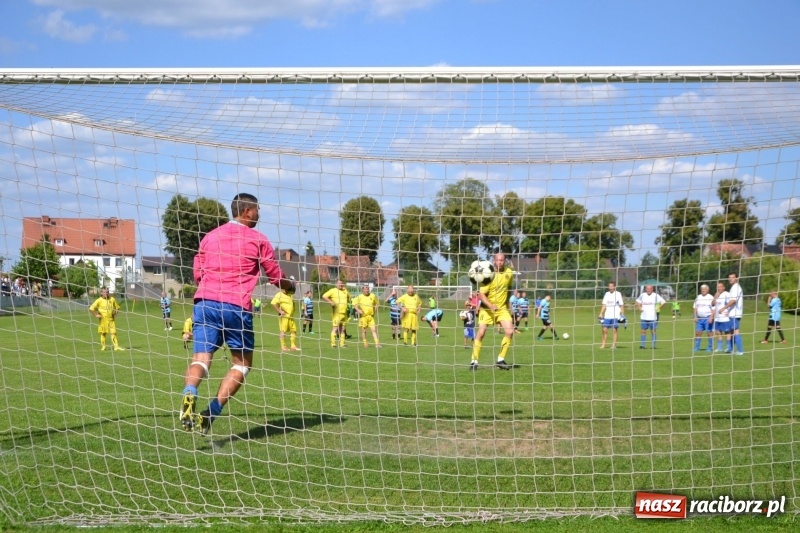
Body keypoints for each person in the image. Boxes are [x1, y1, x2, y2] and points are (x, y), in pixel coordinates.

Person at [179, 193, 293, 436]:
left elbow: (198, 271)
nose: (259, 214)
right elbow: (274, 275)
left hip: (205, 302)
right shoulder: (258, 239)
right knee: (242, 364)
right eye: (258, 210)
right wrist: (289, 286)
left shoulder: (210, 237)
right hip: (235, 306)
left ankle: (189, 393)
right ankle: (210, 412)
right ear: (248, 211)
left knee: (200, 358)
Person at [471, 253, 515, 371]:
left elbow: (509, 289)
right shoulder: (488, 275)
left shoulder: (509, 273)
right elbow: (481, 294)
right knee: (481, 332)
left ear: (505, 261)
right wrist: (490, 305)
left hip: (502, 309)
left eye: (502, 260)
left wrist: (507, 305)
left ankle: (500, 360)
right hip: (487, 309)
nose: (500, 262)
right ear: (494, 261)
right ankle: (474, 361)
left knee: (510, 331)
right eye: (497, 260)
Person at [89, 287, 124, 351]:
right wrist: (96, 314)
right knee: (103, 333)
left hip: (111, 320)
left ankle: (116, 347)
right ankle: (103, 346)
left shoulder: (112, 299)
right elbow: (91, 308)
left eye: (107, 292)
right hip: (103, 320)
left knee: (113, 333)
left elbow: (117, 307)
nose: (106, 293)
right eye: (104, 292)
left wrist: (115, 314)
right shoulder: (99, 300)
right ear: (101, 293)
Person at [322, 279, 351, 348]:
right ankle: (333, 344)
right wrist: (331, 302)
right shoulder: (333, 290)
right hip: (337, 313)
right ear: (336, 284)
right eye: (339, 283)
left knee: (343, 329)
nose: (340, 285)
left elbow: (349, 298)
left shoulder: (345, 291)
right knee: (335, 328)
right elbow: (324, 296)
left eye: (341, 283)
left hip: (344, 313)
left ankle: (342, 344)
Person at [271, 285, 300, 352]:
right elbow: (273, 303)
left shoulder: (290, 294)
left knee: (294, 330)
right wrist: (279, 311)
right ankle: (283, 347)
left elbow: (292, 303)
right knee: (283, 331)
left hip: (291, 316)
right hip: (284, 317)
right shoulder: (279, 295)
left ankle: (293, 346)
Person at [636, 284, 665, 349]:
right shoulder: (642, 295)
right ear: (645, 289)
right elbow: (638, 301)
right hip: (644, 317)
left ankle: (653, 346)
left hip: (652, 317)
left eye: (650, 289)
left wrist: (658, 308)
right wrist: (639, 307)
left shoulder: (655, 295)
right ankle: (642, 345)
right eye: (647, 289)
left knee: (653, 331)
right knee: (643, 331)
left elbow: (663, 302)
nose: (648, 290)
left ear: (652, 289)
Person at [598, 281, 624, 349]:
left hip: (616, 315)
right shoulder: (606, 294)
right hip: (607, 315)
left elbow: (621, 305)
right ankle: (603, 344)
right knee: (604, 330)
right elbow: (604, 305)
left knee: (615, 330)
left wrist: (622, 314)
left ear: (614, 287)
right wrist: (601, 313)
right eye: (609, 286)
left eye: (612, 286)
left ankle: (614, 345)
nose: (610, 287)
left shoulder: (618, 294)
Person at [724, 272, 745, 355]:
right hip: (733, 313)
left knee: (736, 331)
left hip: (735, 313)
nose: (730, 279)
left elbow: (733, 300)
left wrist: (724, 308)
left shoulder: (736, 288)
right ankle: (731, 349)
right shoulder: (734, 287)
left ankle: (740, 351)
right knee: (731, 331)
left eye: (732, 277)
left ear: (737, 278)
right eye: (729, 277)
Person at [693, 284, 715, 352]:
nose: (703, 290)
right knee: (698, 333)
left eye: (705, 289)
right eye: (702, 289)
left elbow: (713, 309)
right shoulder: (698, 297)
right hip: (700, 318)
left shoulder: (711, 297)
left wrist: (711, 317)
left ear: (708, 290)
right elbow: (695, 307)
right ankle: (697, 347)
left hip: (708, 318)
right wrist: (695, 316)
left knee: (709, 333)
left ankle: (709, 347)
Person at [712, 281, 732, 352]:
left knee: (727, 332)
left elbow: (730, 303)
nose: (719, 288)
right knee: (718, 332)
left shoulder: (726, 294)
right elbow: (713, 304)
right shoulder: (716, 295)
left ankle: (728, 347)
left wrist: (728, 312)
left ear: (724, 287)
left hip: (724, 317)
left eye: (720, 287)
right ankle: (719, 348)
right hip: (717, 318)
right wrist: (715, 297)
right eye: (718, 287)